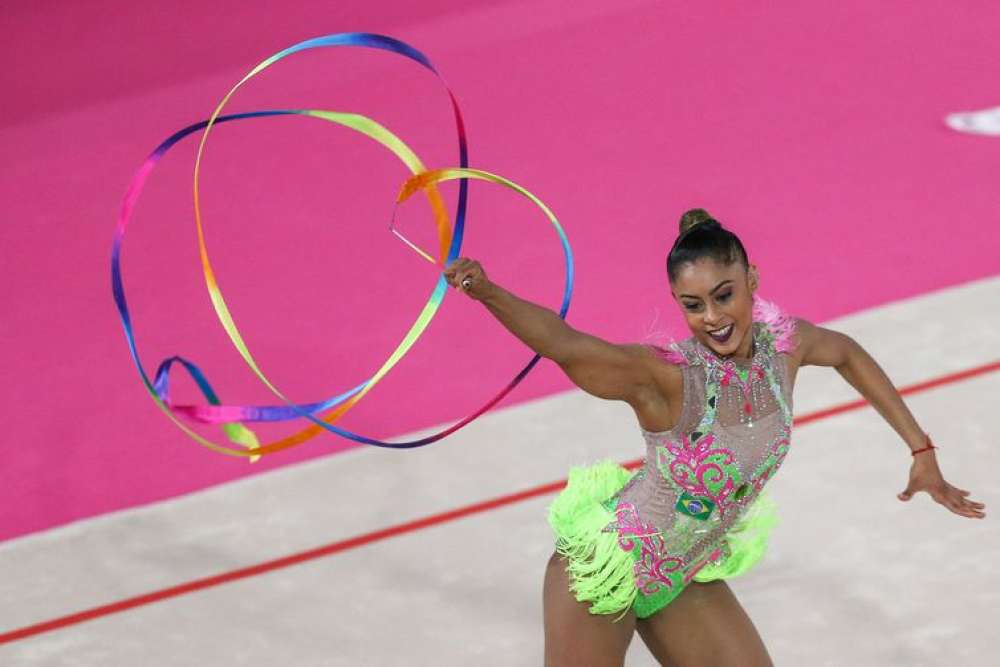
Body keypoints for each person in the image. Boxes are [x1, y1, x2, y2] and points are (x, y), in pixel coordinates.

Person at [442, 208, 985, 666]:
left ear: (752, 279)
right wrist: (487, 292)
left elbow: (845, 352)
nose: (713, 318)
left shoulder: (784, 347)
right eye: (693, 305)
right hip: (606, 570)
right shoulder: (670, 378)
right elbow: (568, 345)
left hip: (683, 572)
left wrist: (921, 450)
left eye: (723, 296)